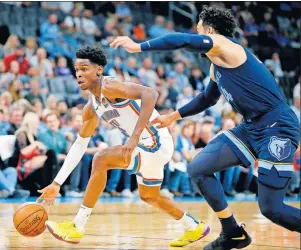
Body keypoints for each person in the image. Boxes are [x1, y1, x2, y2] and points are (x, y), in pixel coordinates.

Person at [111, 5, 300, 250]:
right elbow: (207, 99)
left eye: (199, 28)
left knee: (271, 209)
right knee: (198, 168)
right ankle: (232, 232)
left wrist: (139, 46)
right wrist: (174, 116)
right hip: (251, 127)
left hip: (277, 127)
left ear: (209, 30)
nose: (196, 32)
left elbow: (179, 41)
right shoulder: (216, 64)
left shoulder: (226, 46)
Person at [37, 45, 210, 246]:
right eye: (77, 70)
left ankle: (78, 225)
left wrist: (134, 137)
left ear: (99, 70)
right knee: (149, 196)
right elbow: (79, 144)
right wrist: (56, 184)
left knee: (101, 159)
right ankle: (193, 226)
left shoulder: (109, 86)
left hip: (155, 142)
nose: (79, 74)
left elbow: (151, 94)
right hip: (145, 147)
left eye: (84, 69)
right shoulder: (91, 107)